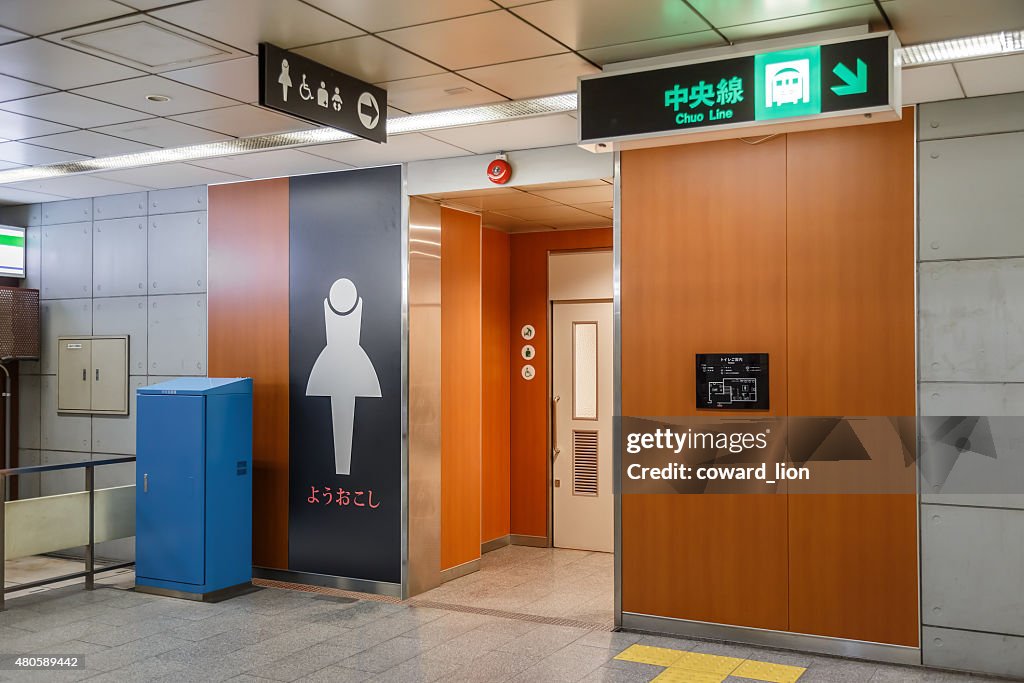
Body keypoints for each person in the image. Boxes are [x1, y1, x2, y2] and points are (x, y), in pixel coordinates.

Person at [306, 278, 381, 475]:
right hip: (334, 362)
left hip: (350, 361)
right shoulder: (327, 305)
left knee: (346, 417)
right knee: (339, 415)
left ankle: (343, 468)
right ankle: (341, 468)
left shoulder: (358, 304)